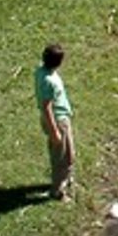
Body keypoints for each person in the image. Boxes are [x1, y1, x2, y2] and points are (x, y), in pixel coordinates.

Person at [35, 43, 74, 200]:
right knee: (60, 158)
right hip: (58, 122)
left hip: (62, 119)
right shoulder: (49, 81)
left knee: (69, 154)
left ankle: (67, 179)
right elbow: (46, 108)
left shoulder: (41, 71)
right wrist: (55, 132)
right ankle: (57, 191)